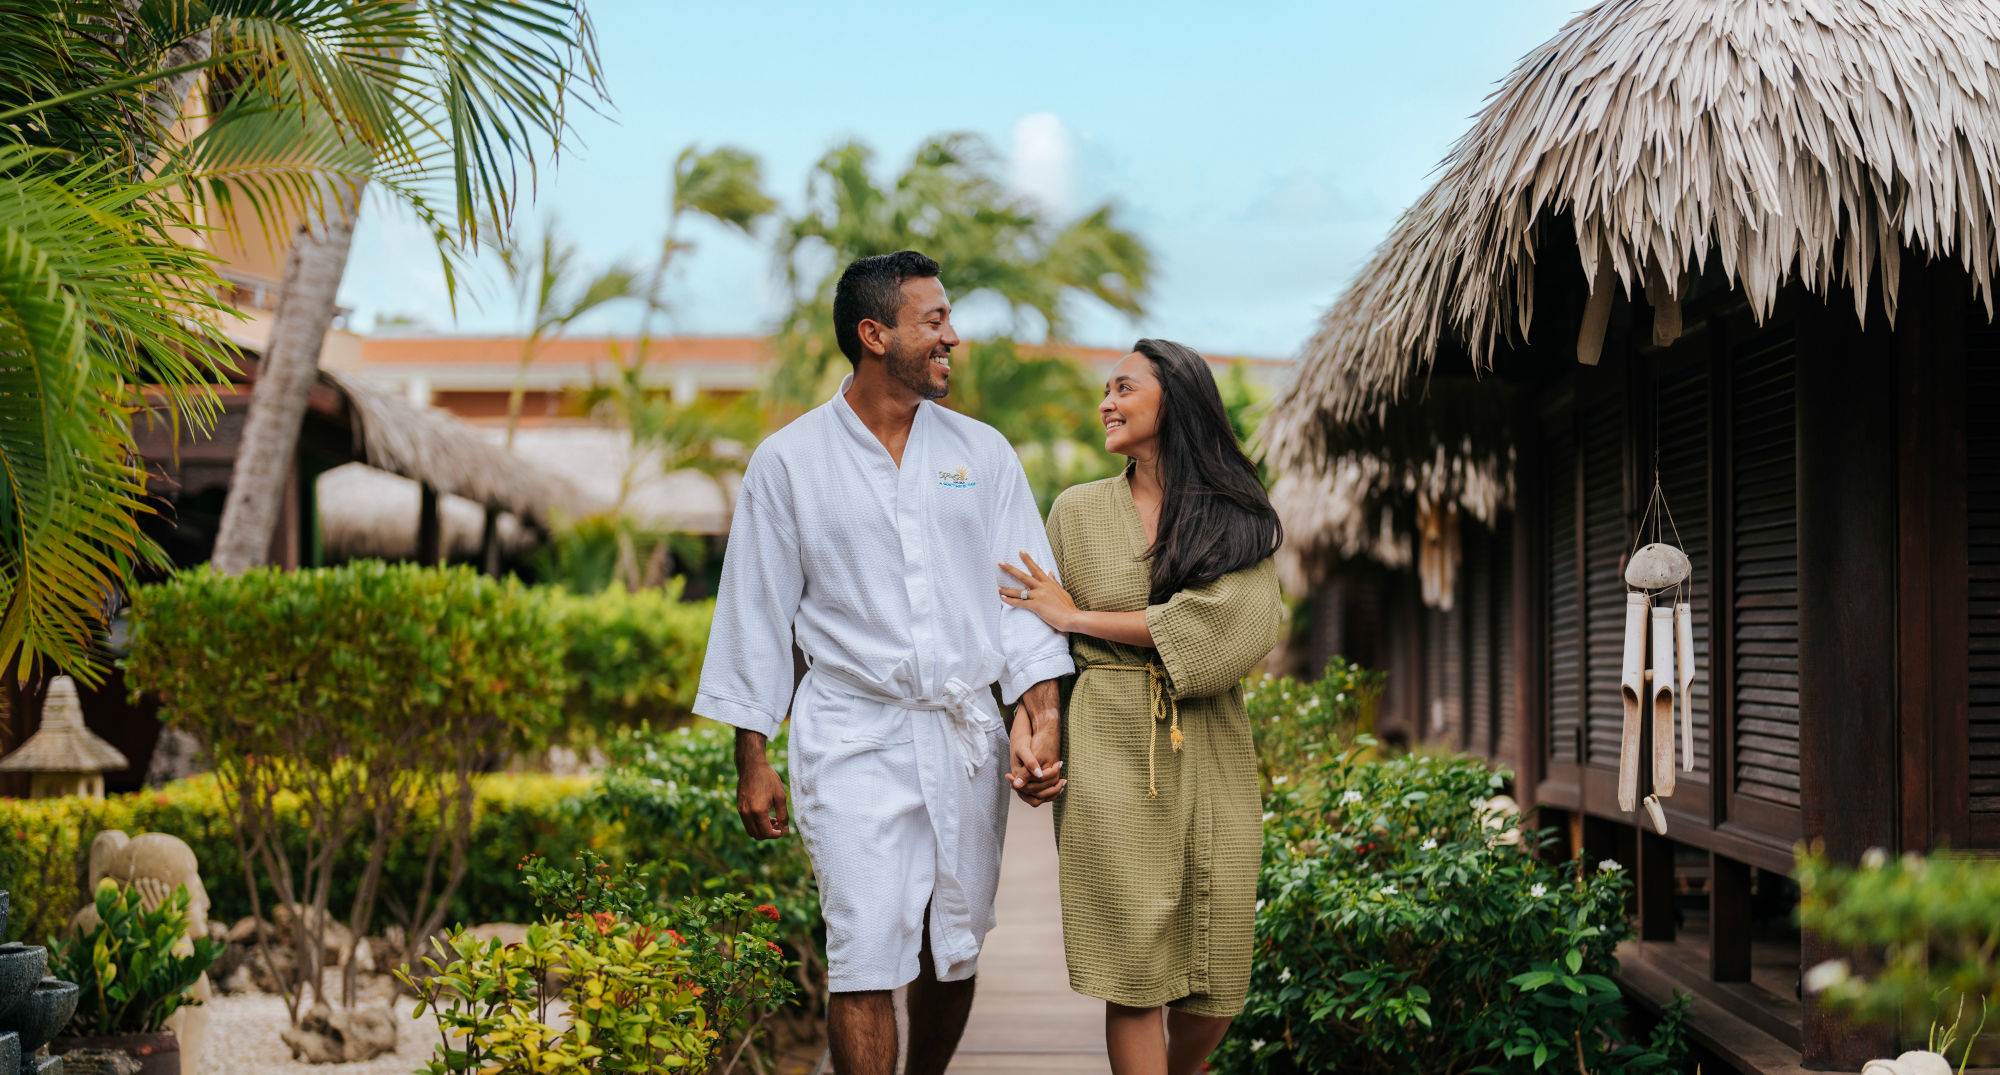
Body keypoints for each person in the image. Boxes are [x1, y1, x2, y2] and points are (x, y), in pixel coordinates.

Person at [693, 250, 1073, 1075]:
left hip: (961, 731)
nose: (953, 338)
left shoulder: (984, 454)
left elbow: (1025, 602)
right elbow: (755, 616)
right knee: (864, 947)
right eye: (933, 321)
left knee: (953, 943)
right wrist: (750, 756)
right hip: (852, 733)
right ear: (874, 334)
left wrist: (1039, 715)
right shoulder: (788, 463)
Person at [1000, 337, 1283, 1075]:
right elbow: (1032, 633)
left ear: (1175, 401)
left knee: (1218, 980)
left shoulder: (1233, 514)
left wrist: (1081, 617)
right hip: (1108, 747)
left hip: (1213, 745)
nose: (1107, 402)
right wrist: (1032, 732)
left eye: (1125, 388)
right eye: (1106, 389)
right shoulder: (1076, 511)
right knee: (1132, 975)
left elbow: (1235, 625)